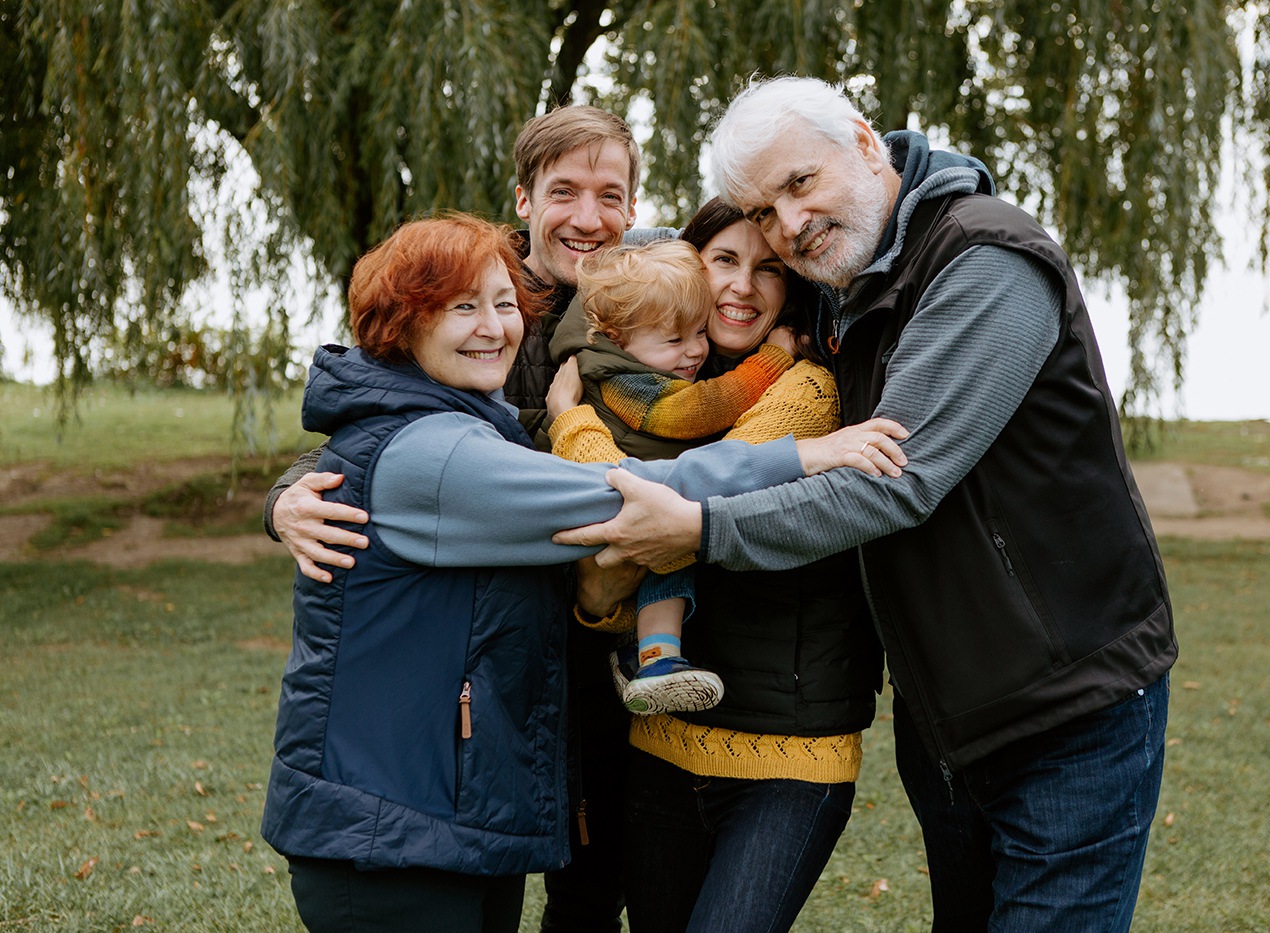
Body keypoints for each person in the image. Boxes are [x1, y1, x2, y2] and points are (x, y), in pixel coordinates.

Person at [554, 77, 1178, 932]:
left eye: (799, 184)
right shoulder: (842, 283)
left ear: (863, 139)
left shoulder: (983, 257)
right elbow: (626, 276)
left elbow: (900, 479)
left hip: (1065, 698)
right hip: (947, 715)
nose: (788, 223)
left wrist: (698, 525)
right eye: (763, 212)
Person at [260, 211, 907, 932]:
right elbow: (623, 491)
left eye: (505, 305)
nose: (494, 327)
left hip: (439, 821)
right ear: (402, 323)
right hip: (390, 829)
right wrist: (803, 455)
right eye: (462, 308)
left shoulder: (468, 422)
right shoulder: (439, 449)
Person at [265, 105, 645, 933]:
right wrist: (286, 497)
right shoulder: (475, 303)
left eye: (611, 195)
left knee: (593, 878)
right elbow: (376, 418)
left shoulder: (659, 300)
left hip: (613, 641)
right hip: (497, 648)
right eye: (565, 191)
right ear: (524, 199)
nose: (589, 217)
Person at [547, 197, 887, 932]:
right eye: (724, 260)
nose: (741, 286)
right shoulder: (646, 379)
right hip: (662, 744)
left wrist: (571, 423)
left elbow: (683, 488)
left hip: (788, 749)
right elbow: (613, 532)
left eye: (769, 269)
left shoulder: (804, 387)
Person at [559, 237, 803, 715]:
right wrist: (772, 360)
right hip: (620, 503)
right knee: (671, 560)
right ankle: (655, 655)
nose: (694, 350)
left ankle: (653, 658)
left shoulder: (643, 359)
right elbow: (691, 413)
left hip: (643, 504)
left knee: (669, 565)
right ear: (617, 336)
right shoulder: (620, 380)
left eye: (697, 332)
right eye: (675, 340)